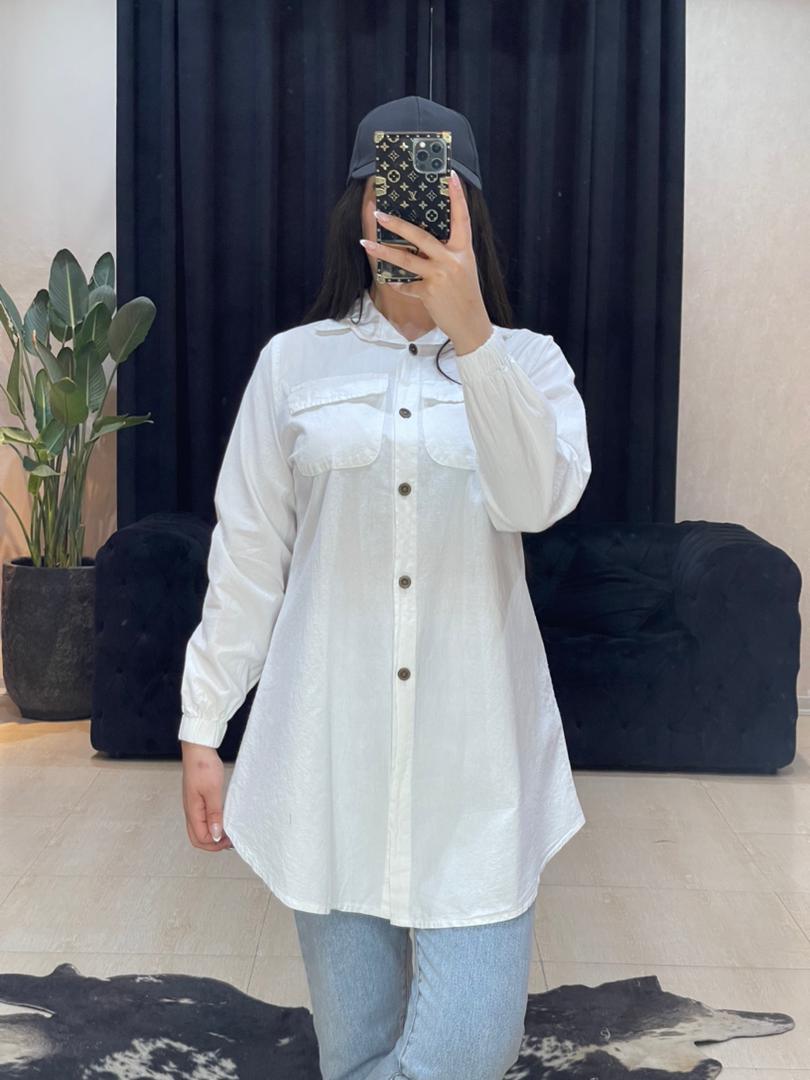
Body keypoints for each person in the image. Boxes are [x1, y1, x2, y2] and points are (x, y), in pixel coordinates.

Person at [179, 95, 591, 1080]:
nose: (406, 217)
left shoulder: (530, 364)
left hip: (476, 769)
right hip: (330, 761)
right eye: (387, 197)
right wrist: (204, 724)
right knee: (357, 1049)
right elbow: (249, 555)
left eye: (433, 201)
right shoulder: (294, 365)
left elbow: (537, 500)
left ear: (467, 215)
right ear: (358, 213)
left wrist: (474, 338)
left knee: (471, 1048)